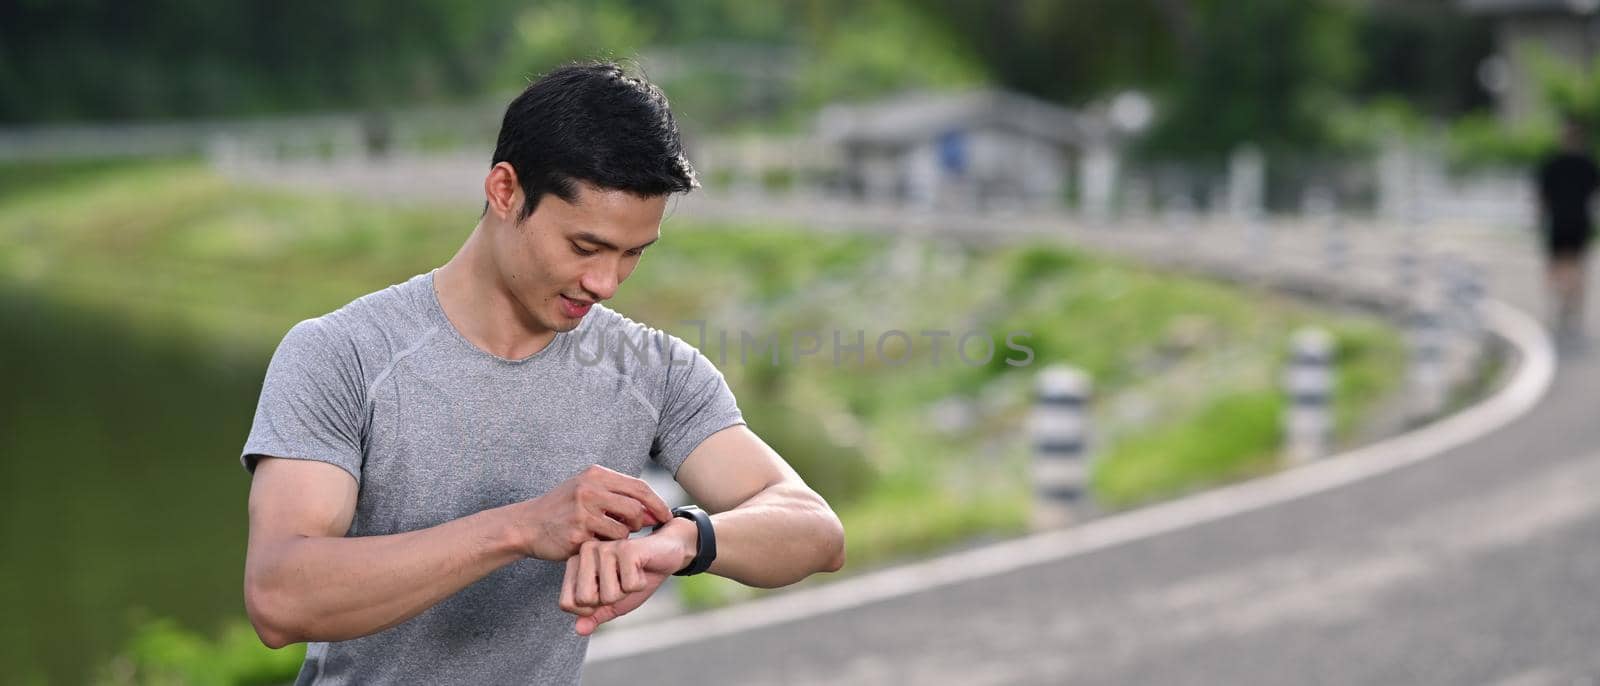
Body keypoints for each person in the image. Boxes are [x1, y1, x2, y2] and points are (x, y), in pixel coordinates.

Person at [239, 62, 846, 684]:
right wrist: (521, 528)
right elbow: (279, 599)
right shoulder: (341, 355)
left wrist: (685, 543)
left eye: (633, 253)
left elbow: (814, 530)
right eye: (584, 248)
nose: (606, 283)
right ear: (505, 191)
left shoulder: (653, 370)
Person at [1536, 117, 1599, 339]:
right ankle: (1571, 302)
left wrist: (1539, 220)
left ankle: (1565, 299)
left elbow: (1542, 197)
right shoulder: (1588, 164)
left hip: (1561, 221)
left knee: (1560, 264)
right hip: (1579, 221)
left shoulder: (1552, 163)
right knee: (1575, 265)